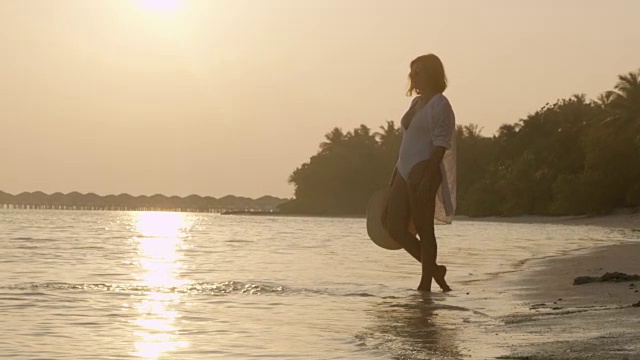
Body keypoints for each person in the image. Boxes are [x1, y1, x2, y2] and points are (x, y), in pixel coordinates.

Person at [385, 54, 456, 292]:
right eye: (412, 72)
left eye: (420, 71)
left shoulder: (440, 103)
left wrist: (428, 174)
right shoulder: (416, 103)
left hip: (424, 168)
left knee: (425, 229)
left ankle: (425, 284)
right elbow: (408, 140)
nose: (414, 76)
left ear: (433, 73)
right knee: (392, 225)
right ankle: (435, 270)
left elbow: (441, 142)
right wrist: (395, 173)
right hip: (403, 170)